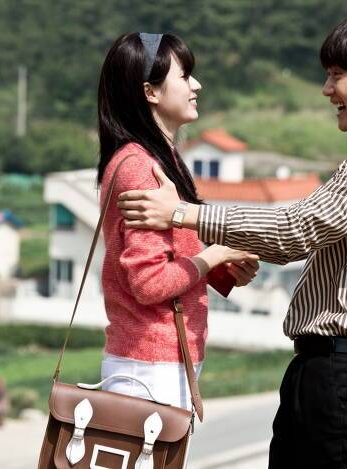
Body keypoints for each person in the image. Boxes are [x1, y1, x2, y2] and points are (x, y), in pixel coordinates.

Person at [117, 11, 347, 468]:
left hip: (344, 372)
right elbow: (298, 232)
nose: (327, 90)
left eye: (337, 76)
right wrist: (219, 253)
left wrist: (183, 213)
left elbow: (297, 229)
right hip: (328, 369)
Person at [97, 32, 260, 410]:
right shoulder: (141, 168)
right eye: (184, 76)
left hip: (156, 364)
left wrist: (221, 270)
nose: (196, 85)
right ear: (151, 92)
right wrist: (216, 254)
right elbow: (149, 283)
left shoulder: (159, 158)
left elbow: (167, 254)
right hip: (150, 368)